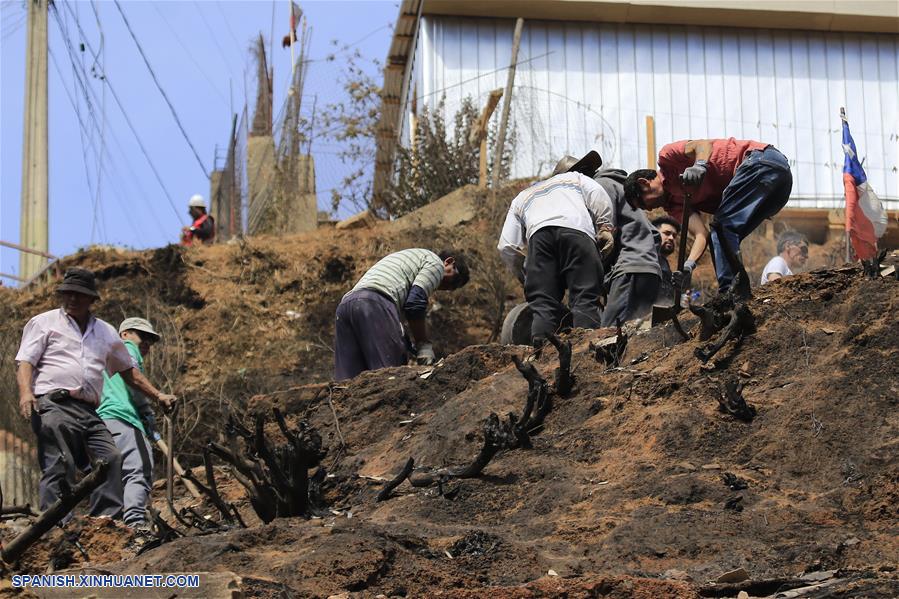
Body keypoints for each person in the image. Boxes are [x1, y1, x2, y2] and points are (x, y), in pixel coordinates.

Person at [15, 268, 177, 520]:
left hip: (89, 410)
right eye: (67, 293)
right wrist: (26, 393)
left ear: (91, 299)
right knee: (60, 461)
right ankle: (56, 527)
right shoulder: (44, 322)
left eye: (79, 295)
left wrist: (158, 396)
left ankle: (105, 521)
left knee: (111, 458)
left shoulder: (106, 332)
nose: (72, 299)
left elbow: (128, 372)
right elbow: (25, 362)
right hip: (52, 403)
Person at [624, 138, 792, 292]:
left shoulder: (668, 158)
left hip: (762, 161)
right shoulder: (674, 205)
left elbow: (702, 145)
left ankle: (729, 293)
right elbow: (701, 235)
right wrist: (689, 266)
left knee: (723, 229)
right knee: (723, 237)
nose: (650, 210)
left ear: (644, 184)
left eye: (644, 204)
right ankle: (740, 291)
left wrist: (700, 165)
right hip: (775, 191)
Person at [498, 151, 613, 344]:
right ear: (568, 172)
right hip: (577, 233)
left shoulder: (523, 196)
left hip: (538, 240)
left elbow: (506, 245)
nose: (587, 174)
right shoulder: (576, 179)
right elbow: (598, 194)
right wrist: (605, 226)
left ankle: (541, 352)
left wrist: (525, 273)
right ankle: (587, 349)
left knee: (543, 303)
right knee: (584, 297)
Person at [335, 249, 470, 380]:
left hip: (346, 306)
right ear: (448, 262)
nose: (449, 288)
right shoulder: (435, 264)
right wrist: (423, 345)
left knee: (348, 384)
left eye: (454, 289)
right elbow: (415, 304)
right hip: (374, 303)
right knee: (388, 377)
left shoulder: (411, 262)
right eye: (455, 281)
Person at [96, 317, 164, 529]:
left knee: (112, 474)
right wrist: (157, 398)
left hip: (102, 420)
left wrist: (146, 415)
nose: (146, 343)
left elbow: (131, 388)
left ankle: (108, 524)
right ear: (125, 334)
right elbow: (134, 379)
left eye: (150, 341)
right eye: (142, 336)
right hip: (122, 417)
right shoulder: (126, 347)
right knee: (139, 468)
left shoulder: (105, 355)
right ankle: (136, 523)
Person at [595, 166, 662, 327]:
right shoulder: (625, 189)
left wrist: (598, 274)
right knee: (636, 332)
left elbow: (607, 231)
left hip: (630, 269)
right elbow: (655, 234)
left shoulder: (602, 185)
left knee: (609, 332)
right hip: (649, 271)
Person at [652, 215, 681, 305]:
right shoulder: (645, 257)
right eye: (667, 233)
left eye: (674, 236)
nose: (672, 238)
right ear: (653, 233)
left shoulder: (665, 263)